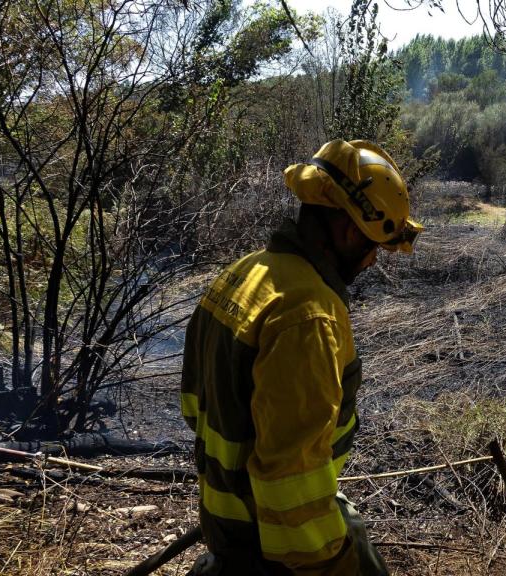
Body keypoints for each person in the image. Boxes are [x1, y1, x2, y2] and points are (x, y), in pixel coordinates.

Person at [180, 139, 422, 575]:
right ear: (349, 231)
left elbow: (195, 408)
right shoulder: (308, 316)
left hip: (228, 522)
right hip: (275, 545)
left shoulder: (244, 273)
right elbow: (289, 478)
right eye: (374, 247)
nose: (371, 261)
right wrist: (331, 563)